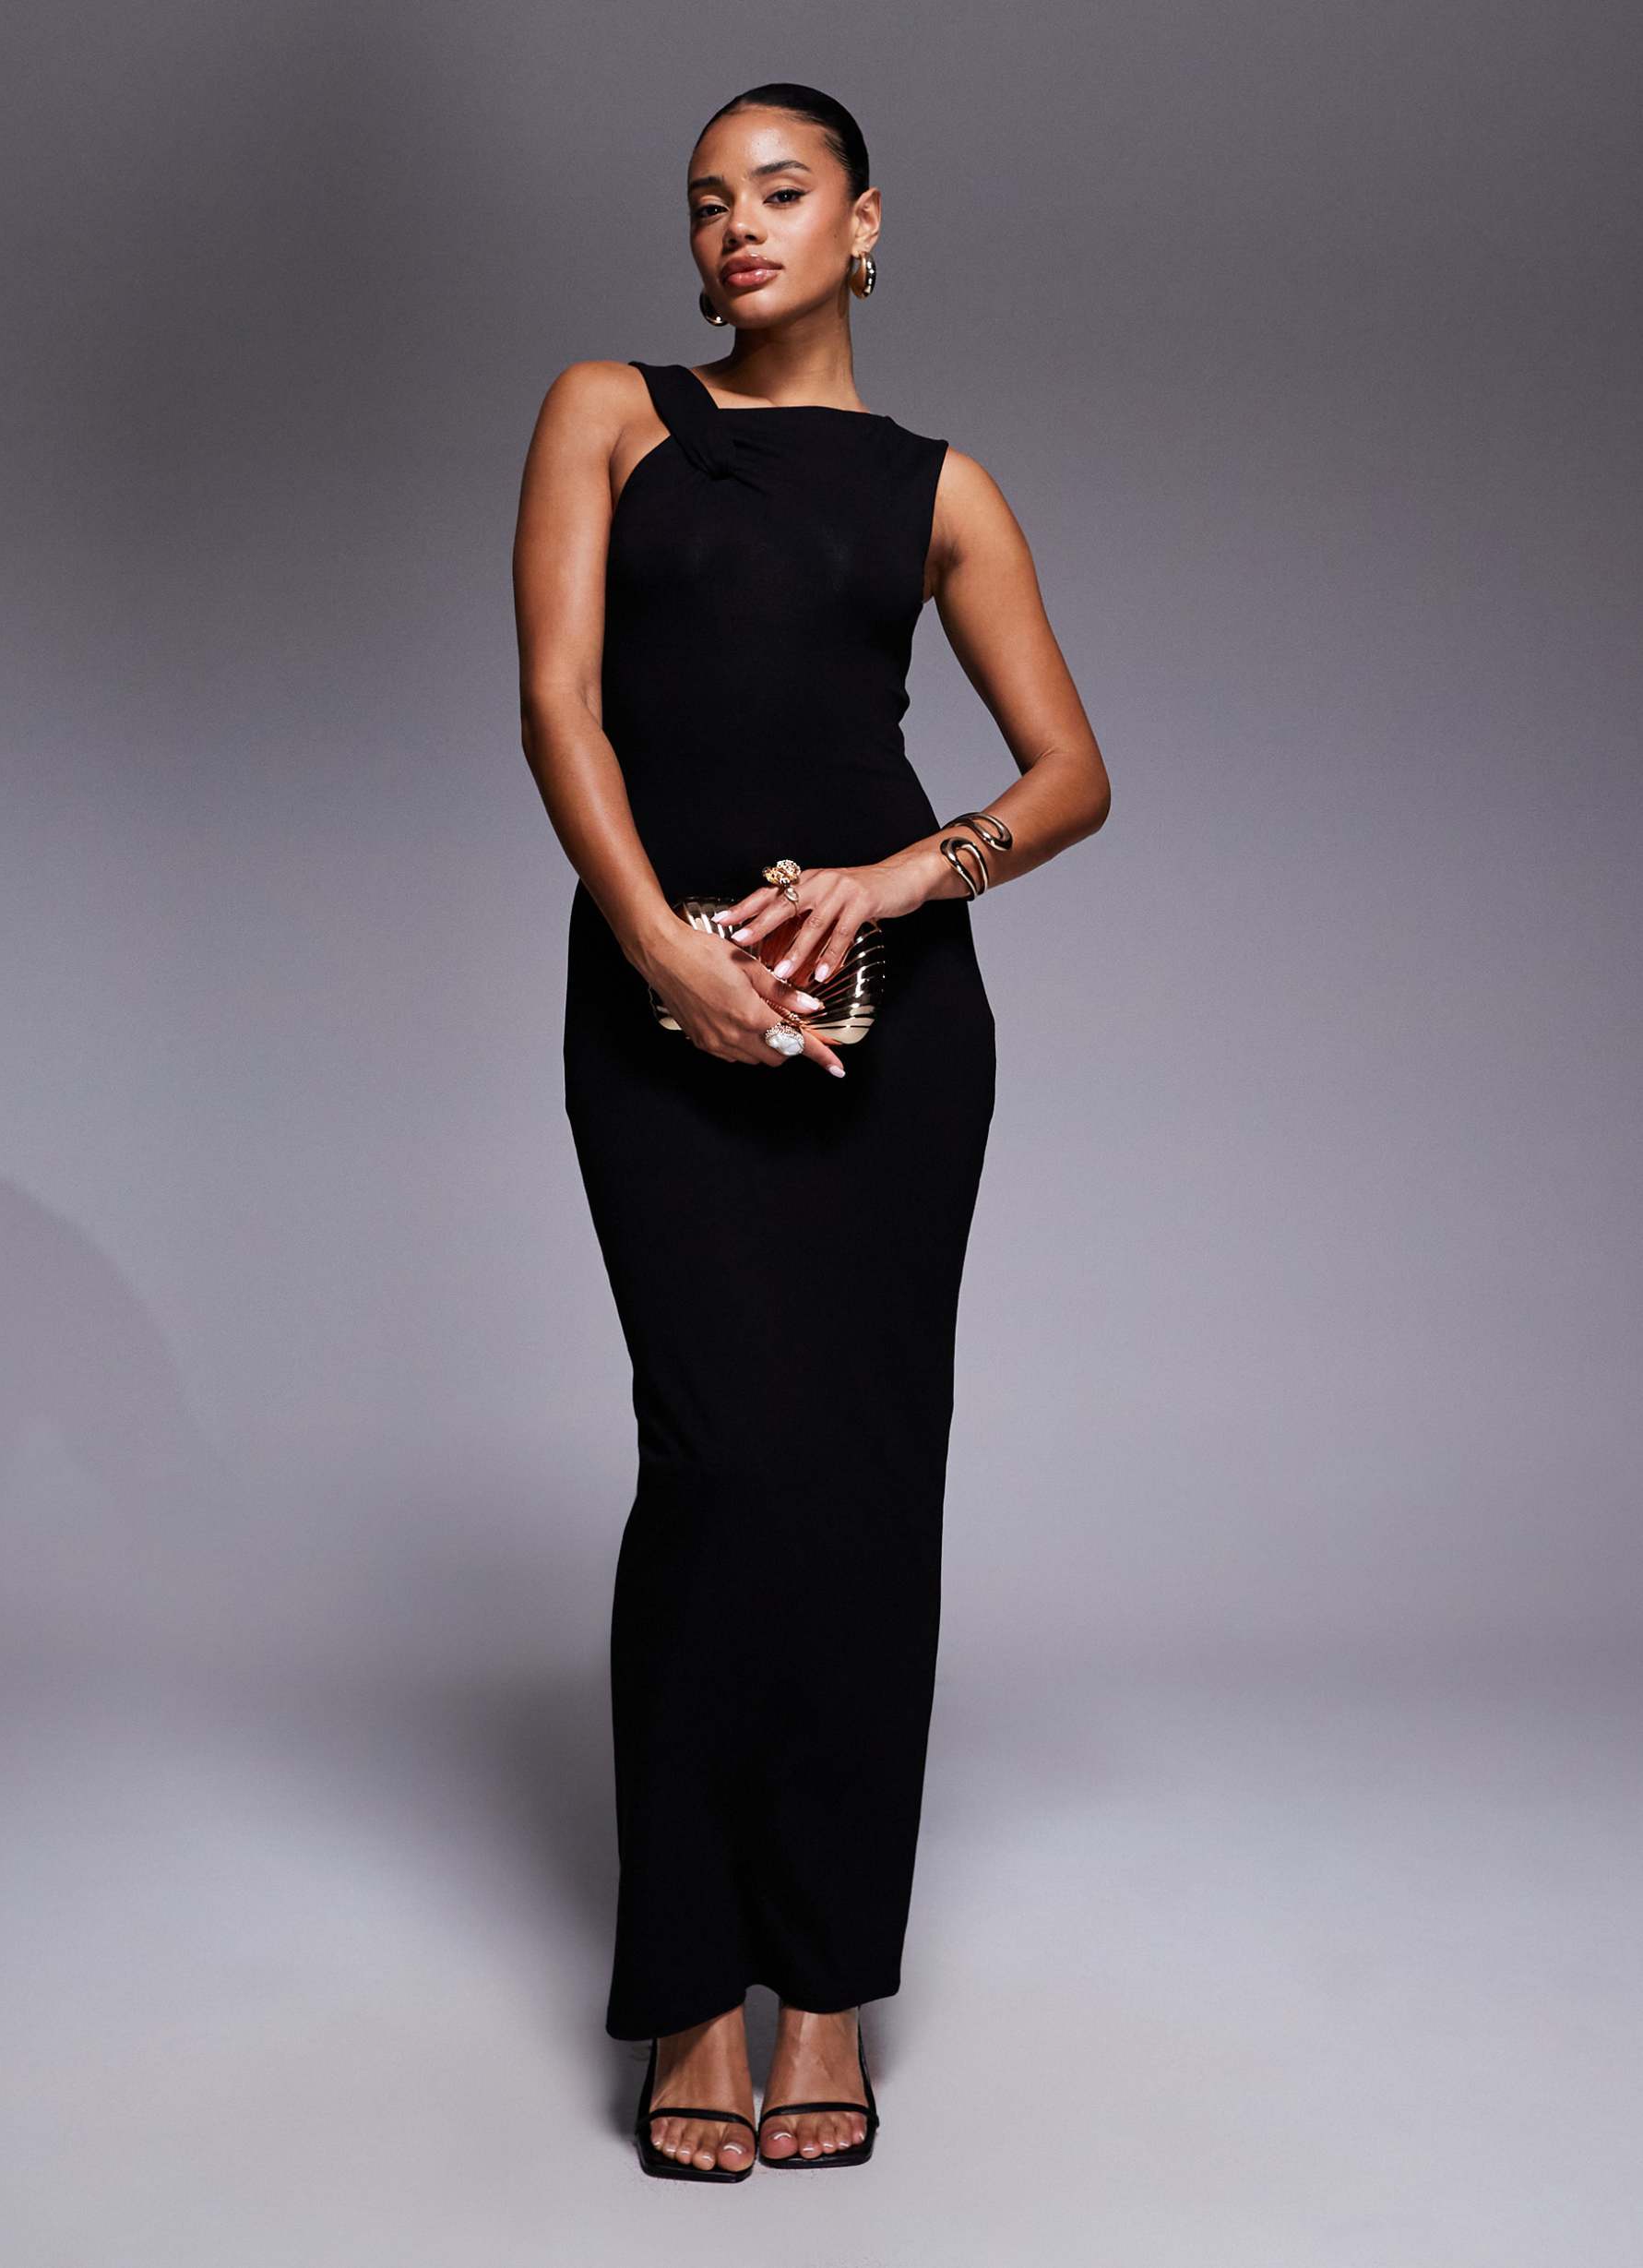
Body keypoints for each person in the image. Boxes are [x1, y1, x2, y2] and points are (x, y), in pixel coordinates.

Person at [513, 80, 1110, 2180]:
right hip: (658, 1013)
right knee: (713, 1466)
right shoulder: (611, 414)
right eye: (708, 201)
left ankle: (831, 1981)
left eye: (780, 192)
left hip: (891, 1041)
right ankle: (693, 1980)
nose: (738, 225)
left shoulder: (942, 487)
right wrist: (661, 951)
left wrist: (894, 880)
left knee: (863, 1483)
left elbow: (1067, 771)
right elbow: (560, 707)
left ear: (863, 224)